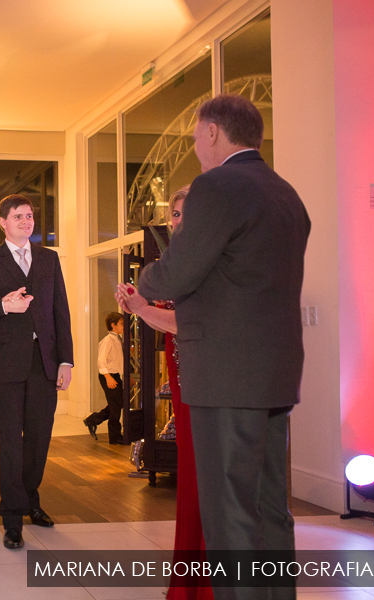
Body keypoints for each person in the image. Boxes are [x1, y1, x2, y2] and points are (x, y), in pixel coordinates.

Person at [137, 95, 310, 600]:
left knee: (231, 516)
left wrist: (146, 278)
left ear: (213, 132)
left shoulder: (217, 187)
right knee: (270, 508)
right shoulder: (285, 193)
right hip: (275, 374)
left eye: (195, 136)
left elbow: (177, 271)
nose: (195, 146)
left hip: (226, 374)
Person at [0, 194, 73, 550]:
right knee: (10, 441)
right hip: (7, 362)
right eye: (19, 216)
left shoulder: (49, 260)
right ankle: (11, 517)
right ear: (3, 223)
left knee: (39, 437)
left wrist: (65, 360)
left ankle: (31, 501)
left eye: (30, 216)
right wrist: (3, 306)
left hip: (45, 362)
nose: (27, 221)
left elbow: (60, 311)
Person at [116, 186, 213, 600]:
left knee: (204, 476)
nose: (177, 220)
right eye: (174, 213)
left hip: (208, 374)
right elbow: (168, 322)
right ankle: (192, 580)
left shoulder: (209, 260)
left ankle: (207, 585)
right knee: (193, 475)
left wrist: (141, 308)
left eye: (185, 213)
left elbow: (189, 322)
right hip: (182, 371)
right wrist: (140, 303)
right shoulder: (180, 264)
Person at [84, 311, 124, 444]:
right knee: (115, 407)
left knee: (119, 403)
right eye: (122, 324)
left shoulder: (118, 339)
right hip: (108, 376)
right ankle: (115, 436)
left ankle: (93, 420)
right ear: (113, 325)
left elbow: (118, 360)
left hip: (115, 375)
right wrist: (108, 377)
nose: (124, 326)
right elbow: (101, 361)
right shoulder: (107, 341)